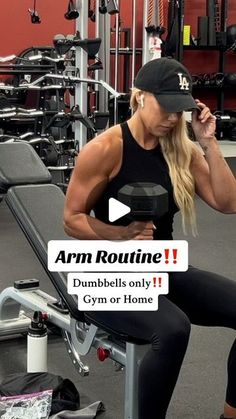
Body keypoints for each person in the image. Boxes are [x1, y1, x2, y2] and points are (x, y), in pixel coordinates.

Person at [64, 57, 236, 419]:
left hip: (161, 268)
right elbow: (72, 220)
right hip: (109, 274)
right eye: (167, 107)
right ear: (140, 97)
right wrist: (121, 234)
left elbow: (228, 202)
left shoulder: (181, 149)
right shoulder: (106, 148)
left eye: (180, 110)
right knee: (173, 329)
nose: (174, 118)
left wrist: (209, 142)